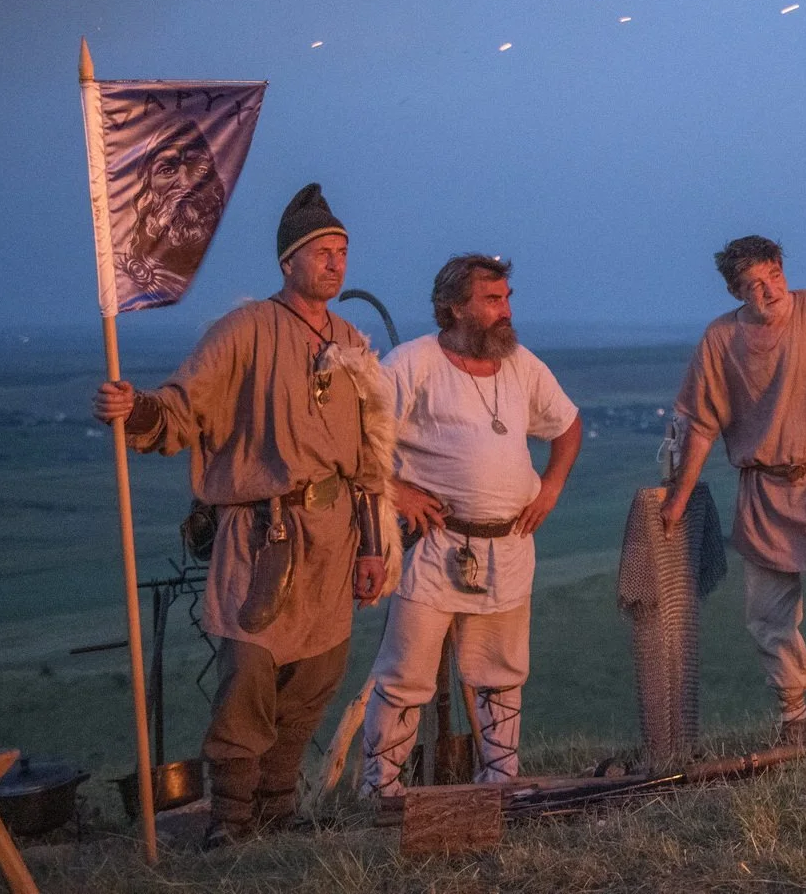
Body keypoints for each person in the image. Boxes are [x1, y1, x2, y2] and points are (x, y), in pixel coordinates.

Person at [93, 184, 393, 846]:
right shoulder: (245, 330)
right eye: (321, 251)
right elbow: (183, 407)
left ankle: (275, 813)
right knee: (249, 677)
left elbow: (370, 459)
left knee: (315, 676)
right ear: (288, 261)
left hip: (335, 536)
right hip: (262, 537)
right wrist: (137, 409)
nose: (336, 263)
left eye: (342, 251)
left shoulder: (350, 344)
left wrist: (374, 547)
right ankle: (229, 821)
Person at [360, 255, 583, 798]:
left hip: (508, 545)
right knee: (407, 673)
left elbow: (568, 425)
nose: (505, 311)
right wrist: (397, 490)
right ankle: (380, 793)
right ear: (454, 307)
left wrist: (548, 489)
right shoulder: (411, 363)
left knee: (501, 672)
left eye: (507, 298)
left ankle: (498, 785)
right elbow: (357, 438)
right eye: (491, 300)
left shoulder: (521, 364)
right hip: (436, 546)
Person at [662, 236, 806, 746]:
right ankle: (791, 710)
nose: (770, 291)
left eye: (774, 276)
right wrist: (677, 499)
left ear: (784, 269)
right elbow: (700, 425)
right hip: (762, 489)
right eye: (754, 285)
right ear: (736, 293)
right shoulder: (720, 340)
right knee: (767, 613)